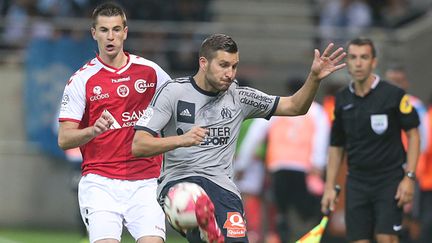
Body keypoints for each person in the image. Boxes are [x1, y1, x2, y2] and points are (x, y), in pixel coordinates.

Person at [131, 33, 346, 243]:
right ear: (204, 63)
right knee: (189, 201)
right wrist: (181, 140)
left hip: (223, 189)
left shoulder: (240, 97)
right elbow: (139, 145)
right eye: (223, 65)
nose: (230, 73)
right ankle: (203, 224)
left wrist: (314, 78)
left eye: (234, 66)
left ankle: (211, 231)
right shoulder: (172, 93)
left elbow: (294, 106)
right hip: (180, 183)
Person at [57, 3, 171, 243]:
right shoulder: (81, 80)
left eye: (116, 29)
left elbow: (177, 109)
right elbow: (64, 139)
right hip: (101, 183)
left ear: (125, 32)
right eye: (104, 30)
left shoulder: (151, 72)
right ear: (94, 33)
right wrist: (93, 130)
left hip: (146, 181)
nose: (111, 36)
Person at [321, 37, 421, 243]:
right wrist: (329, 186)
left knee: (386, 238)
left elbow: (413, 135)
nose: (358, 63)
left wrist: (409, 177)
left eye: (364, 57)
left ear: (374, 62)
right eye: (354, 57)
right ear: (347, 63)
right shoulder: (341, 100)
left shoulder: (393, 95)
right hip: (357, 181)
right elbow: (336, 145)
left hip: (389, 180)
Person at [235, 78, 330, 243]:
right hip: (304, 170)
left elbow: (254, 137)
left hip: (278, 168)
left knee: (280, 212)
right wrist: (319, 164)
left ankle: (281, 235)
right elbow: (321, 138)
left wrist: (242, 164)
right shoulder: (317, 111)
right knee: (303, 215)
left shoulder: (279, 108)